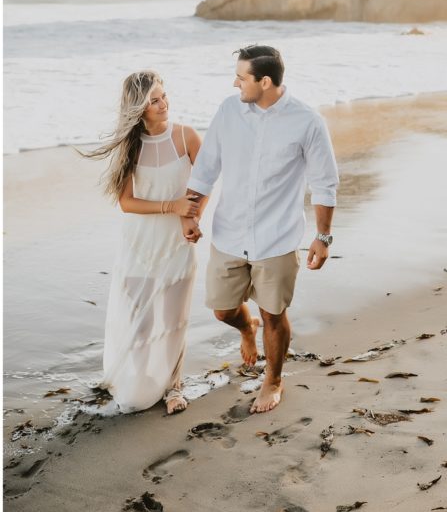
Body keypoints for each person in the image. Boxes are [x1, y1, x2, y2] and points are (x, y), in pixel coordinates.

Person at [185, 45, 339, 414]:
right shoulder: (228, 110)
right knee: (222, 309)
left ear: (265, 81)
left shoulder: (307, 121)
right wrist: (191, 214)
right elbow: (206, 167)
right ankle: (244, 327)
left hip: (278, 237)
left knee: (274, 314)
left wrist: (323, 236)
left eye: (242, 77)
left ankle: (273, 379)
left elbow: (325, 183)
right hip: (229, 233)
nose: (235, 82)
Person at [81, 71, 203, 414]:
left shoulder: (186, 136)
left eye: (164, 96)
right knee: (144, 324)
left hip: (177, 244)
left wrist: (191, 216)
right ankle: (144, 379)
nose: (164, 104)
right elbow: (127, 202)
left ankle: (174, 387)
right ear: (139, 108)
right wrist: (172, 206)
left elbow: (208, 178)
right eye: (154, 100)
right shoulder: (129, 147)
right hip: (138, 247)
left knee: (174, 320)